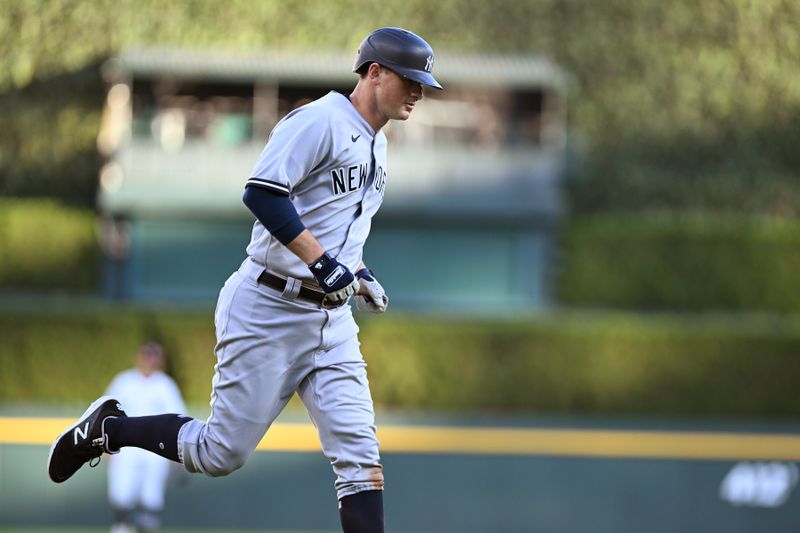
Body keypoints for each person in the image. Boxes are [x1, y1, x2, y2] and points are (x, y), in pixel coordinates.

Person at [47, 27, 442, 533]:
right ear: (374, 72)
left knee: (361, 457)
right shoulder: (319, 120)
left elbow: (338, 231)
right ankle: (108, 431)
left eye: (423, 84)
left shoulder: (378, 144)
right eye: (409, 79)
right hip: (269, 305)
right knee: (219, 453)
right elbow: (262, 194)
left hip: (330, 321)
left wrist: (359, 273)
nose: (418, 92)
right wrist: (323, 263)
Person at [104, 342, 186, 533]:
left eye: (153, 356)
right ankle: (121, 528)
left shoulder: (165, 385)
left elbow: (178, 418)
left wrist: (178, 456)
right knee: (122, 494)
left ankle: (146, 529)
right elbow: (106, 413)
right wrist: (105, 446)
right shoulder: (124, 381)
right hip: (126, 450)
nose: (149, 360)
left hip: (155, 450)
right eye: (146, 355)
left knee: (151, 497)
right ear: (139, 357)